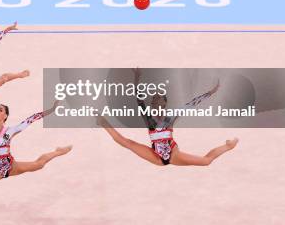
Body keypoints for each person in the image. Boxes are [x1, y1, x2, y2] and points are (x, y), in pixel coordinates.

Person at [99, 68, 238, 166]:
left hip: (173, 153)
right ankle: (103, 122)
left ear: (165, 103)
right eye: (154, 99)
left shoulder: (170, 117)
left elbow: (192, 103)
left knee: (206, 161)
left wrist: (210, 93)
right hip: (156, 156)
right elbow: (139, 99)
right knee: (127, 143)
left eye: (158, 98)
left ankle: (228, 146)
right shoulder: (149, 118)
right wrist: (137, 78)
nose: (155, 100)